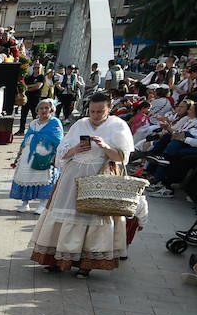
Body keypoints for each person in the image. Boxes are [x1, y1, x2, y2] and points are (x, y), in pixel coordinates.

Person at [28, 91, 135, 277]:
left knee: (93, 218)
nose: (95, 115)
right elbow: (61, 155)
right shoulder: (80, 124)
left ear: (109, 109)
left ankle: (86, 263)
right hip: (73, 175)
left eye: (100, 111)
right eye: (92, 111)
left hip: (99, 177)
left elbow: (121, 158)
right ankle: (57, 258)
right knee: (63, 214)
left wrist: (105, 147)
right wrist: (76, 149)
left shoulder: (118, 126)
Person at [10, 98, 64, 213]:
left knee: (44, 178)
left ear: (51, 109)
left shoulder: (55, 122)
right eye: (41, 108)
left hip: (45, 155)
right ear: (37, 110)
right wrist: (19, 154)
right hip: (28, 155)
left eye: (46, 108)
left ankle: (43, 204)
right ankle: (25, 203)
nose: (44, 110)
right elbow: (26, 138)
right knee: (25, 176)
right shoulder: (34, 123)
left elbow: (59, 140)